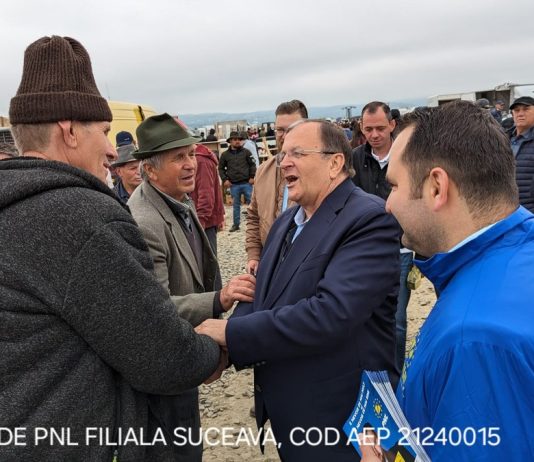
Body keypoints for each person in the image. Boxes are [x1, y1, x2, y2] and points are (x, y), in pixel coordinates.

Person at [0, 35, 224, 461]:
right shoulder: (81, 216)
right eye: (103, 132)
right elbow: (160, 355)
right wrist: (218, 347)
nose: (110, 150)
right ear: (68, 131)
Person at [197, 120, 400, 461]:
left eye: (297, 153)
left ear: (335, 163)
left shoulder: (368, 219)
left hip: (343, 418)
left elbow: (330, 314)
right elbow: (263, 294)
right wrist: (225, 352)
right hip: (293, 410)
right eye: (282, 155)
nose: (284, 163)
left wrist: (230, 333)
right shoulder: (286, 221)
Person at [385, 101, 534, 460]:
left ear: (437, 187)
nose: (387, 204)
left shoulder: (473, 340)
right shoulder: (517, 250)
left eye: (394, 186)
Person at [128, 113, 255, 461]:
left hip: (183, 352)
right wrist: (219, 299)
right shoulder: (144, 222)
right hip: (164, 364)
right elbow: (156, 308)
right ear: (150, 170)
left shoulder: (176, 200)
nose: (190, 165)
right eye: (178, 158)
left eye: (190, 154)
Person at [352, 101, 412, 373]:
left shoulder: (408, 156)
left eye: (380, 128)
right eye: (368, 129)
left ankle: (395, 378)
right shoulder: (355, 158)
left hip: (399, 250)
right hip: (363, 250)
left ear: (392, 125)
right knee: (363, 316)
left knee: (396, 320)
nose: (374, 135)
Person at [245, 99, 308, 275]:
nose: (284, 135)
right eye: (280, 129)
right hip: (269, 262)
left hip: (304, 265)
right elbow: (253, 216)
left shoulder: (317, 171)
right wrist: (254, 255)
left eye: (291, 129)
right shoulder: (263, 171)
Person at [190, 143, 225, 255]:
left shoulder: (201, 160)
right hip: (202, 218)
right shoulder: (198, 158)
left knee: (208, 259)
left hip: (204, 221)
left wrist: (200, 222)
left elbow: (206, 194)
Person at [218, 131, 256, 232]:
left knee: (252, 204)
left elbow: (252, 165)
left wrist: (252, 176)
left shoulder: (246, 152)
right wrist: (225, 179)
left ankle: (257, 223)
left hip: (247, 183)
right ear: (230, 141)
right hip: (233, 184)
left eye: (239, 139)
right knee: (236, 206)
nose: (237, 141)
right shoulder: (225, 155)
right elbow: (220, 168)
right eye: (235, 139)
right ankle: (236, 225)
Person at [509, 96, 534, 212]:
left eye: (526, 109)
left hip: (529, 210)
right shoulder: (504, 138)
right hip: (506, 209)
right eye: (517, 110)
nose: (520, 114)